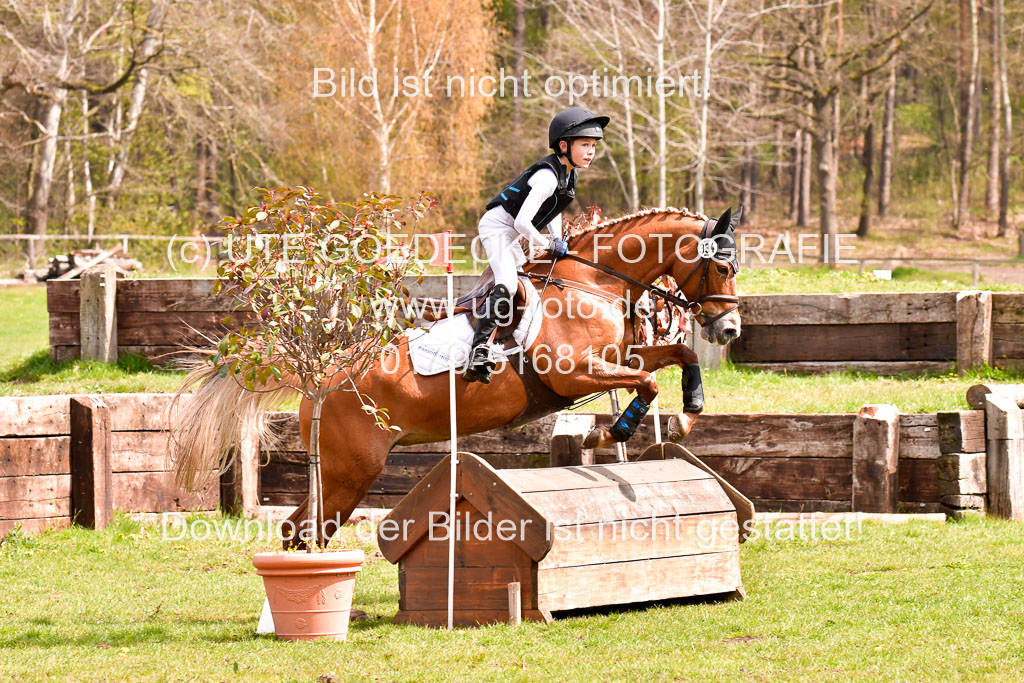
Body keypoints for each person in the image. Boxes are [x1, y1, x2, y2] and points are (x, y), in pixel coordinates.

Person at [464, 106, 610, 383]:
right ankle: (479, 351)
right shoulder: (547, 176)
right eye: (585, 145)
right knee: (507, 283)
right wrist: (546, 243)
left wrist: (557, 239)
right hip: (498, 228)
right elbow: (521, 222)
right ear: (564, 145)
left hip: (515, 231)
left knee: (528, 286)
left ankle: (513, 344)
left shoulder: (569, 174)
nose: (591, 151)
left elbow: (552, 211)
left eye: (593, 146)